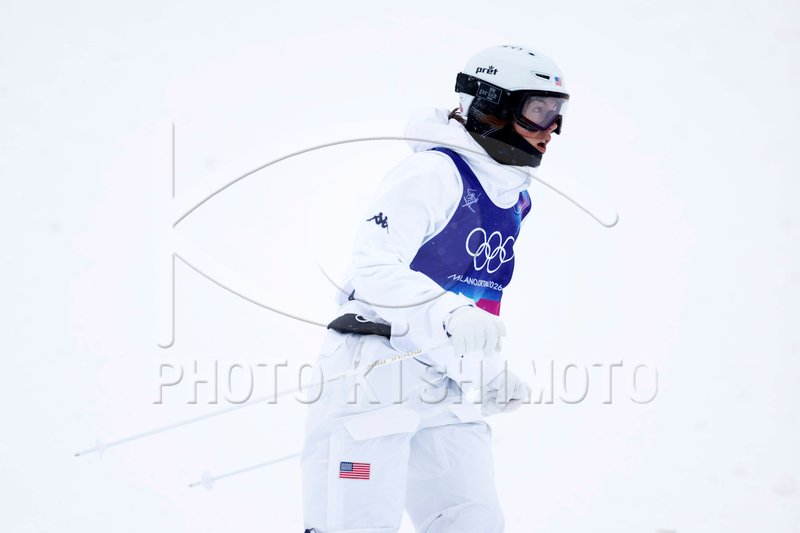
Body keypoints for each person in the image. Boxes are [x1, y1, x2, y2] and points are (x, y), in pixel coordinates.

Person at [301, 44, 570, 533]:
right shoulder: (434, 172)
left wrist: (488, 371)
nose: (550, 128)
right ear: (490, 105)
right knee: (358, 523)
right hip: (373, 369)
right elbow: (373, 268)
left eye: (557, 113)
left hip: (442, 377)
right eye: (537, 110)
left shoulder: (515, 199)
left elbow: (473, 297)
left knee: (473, 520)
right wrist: (450, 316)